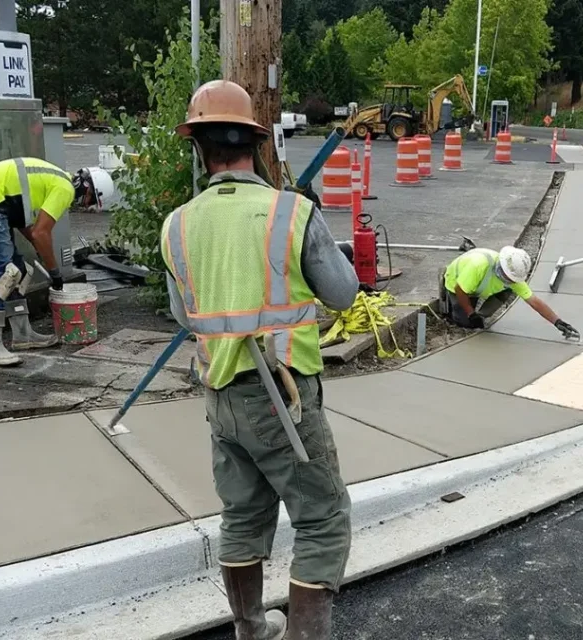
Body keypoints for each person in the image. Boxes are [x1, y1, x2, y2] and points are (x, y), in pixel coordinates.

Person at [162, 80, 359, 640]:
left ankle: (252, 629)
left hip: (220, 399)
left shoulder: (176, 226)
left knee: (243, 516)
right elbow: (343, 295)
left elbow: (186, 316)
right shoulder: (291, 214)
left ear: (198, 148)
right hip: (282, 398)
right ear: (258, 143)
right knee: (321, 520)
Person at [0, 158, 98, 366]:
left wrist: (41, 249)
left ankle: (23, 334)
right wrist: (54, 272)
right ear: (87, 189)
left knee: (18, 270)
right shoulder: (65, 189)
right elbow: (41, 233)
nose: (86, 205)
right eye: (90, 201)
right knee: (0, 275)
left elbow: (29, 228)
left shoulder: (54, 180)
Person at [439, 246, 580, 340]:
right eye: (506, 277)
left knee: (506, 292)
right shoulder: (478, 265)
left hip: (475, 287)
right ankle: (444, 279)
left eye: (511, 280)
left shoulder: (513, 278)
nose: (509, 281)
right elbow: (460, 290)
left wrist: (557, 322)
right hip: (456, 284)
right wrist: (470, 313)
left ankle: (480, 314)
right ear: (501, 267)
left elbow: (534, 302)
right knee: (463, 322)